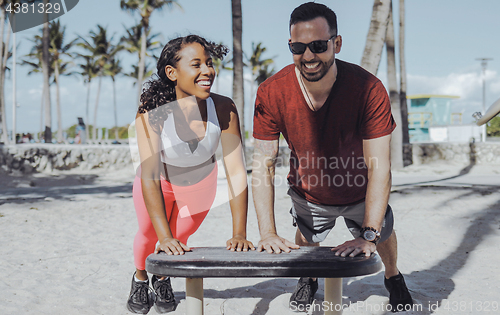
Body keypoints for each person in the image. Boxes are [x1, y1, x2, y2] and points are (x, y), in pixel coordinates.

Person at [251, 2, 413, 312]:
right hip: (308, 192)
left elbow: (380, 167)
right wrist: (268, 232)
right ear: (290, 46)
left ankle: (393, 277)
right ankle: (308, 278)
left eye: (318, 45)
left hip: (361, 191)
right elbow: (262, 164)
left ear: (336, 43)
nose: (308, 55)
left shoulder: (368, 89)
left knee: (384, 234)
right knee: (306, 235)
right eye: (299, 47)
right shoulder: (272, 92)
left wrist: (368, 233)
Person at [128, 35, 254, 314]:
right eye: (196, 64)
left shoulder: (223, 107)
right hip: (158, 182)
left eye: (209, 63)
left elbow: (235, 170)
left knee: (180, 239)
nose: (207, 71)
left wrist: (239, 232)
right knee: (151, 234)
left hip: (200, 186)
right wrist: (164, 236)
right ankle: (140, 278)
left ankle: (162, 278)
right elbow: (149, 174)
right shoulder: (151, 112)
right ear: (172, 73)